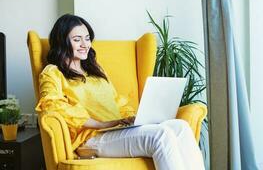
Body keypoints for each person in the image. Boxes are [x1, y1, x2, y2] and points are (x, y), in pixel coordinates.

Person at [35, 14, 205, 170]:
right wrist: (102, 124)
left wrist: (133, 119)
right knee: (161, 135)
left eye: (87, 39)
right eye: (77, 39)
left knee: (180, 126)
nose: (85, 44)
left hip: (116, 131)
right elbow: (53, 107)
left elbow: (116, 101)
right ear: (62, 41)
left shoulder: (95, 70)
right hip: (90, 138)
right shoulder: (53, 72)